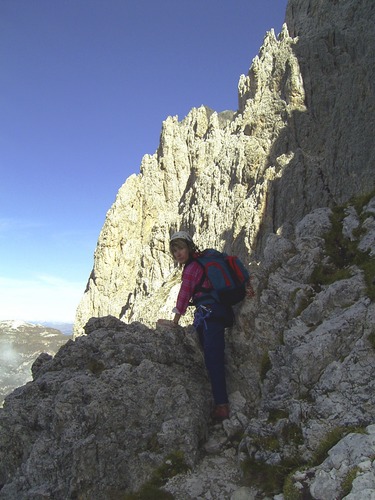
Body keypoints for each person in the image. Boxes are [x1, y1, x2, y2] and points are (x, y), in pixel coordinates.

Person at [157, 231, 234, 421]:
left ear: (189, 248)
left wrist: (174, 322)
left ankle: (221, 406)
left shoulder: (191, 268)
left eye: (181, 248)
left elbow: (184, 294)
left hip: (210, 315)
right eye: (174, 251)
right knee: (209, 352)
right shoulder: (202, 262)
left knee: (212, 359)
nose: (178, 254)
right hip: (217, 312)